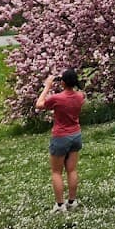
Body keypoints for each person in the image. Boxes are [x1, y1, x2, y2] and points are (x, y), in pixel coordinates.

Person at [36, 68, 85, 212]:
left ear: (62, 82)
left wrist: (47, 86)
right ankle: (72, 201)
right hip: (76, 135)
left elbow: (39, 104)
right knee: (72, 170)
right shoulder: (80, 96)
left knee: (56, 172)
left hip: (60, 136)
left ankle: (59, 204)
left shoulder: (57, 98)